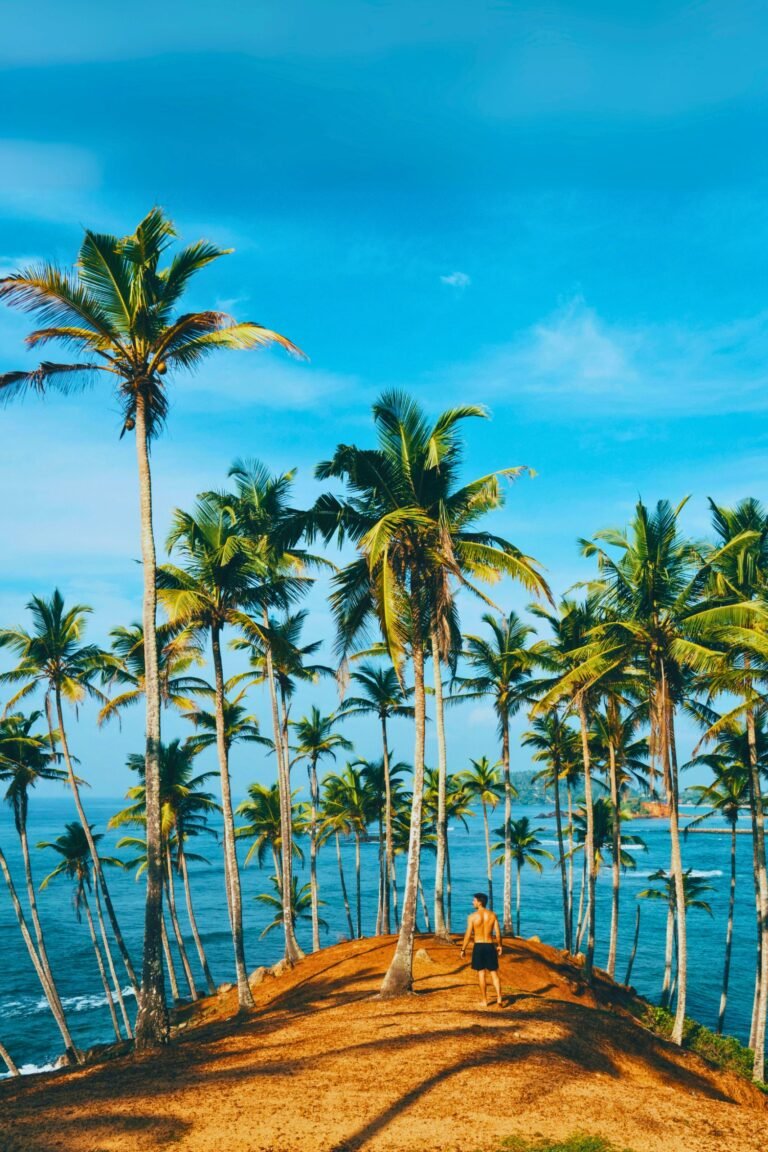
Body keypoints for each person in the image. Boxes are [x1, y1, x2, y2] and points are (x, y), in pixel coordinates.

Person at [460, 892, 503, 1007]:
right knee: (494, 973)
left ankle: (484, 1001)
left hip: (479, 946)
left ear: (479, 902)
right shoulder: (493, 915)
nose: (472, 902)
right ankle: (499, 998)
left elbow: (468, 934)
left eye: (474, 900)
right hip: (490, 945)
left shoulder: (472, 917)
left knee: (481, 973)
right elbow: (498, 933)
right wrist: (499, 945)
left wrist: (463, 949)